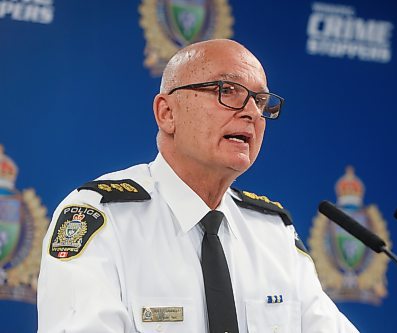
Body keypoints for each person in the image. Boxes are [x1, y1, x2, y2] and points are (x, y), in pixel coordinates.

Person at [37, 39, 359, 333]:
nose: (251, 112)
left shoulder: (273, 233)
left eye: (260, 101)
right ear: (167, 113)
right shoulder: (102, 219)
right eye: (228, 90)